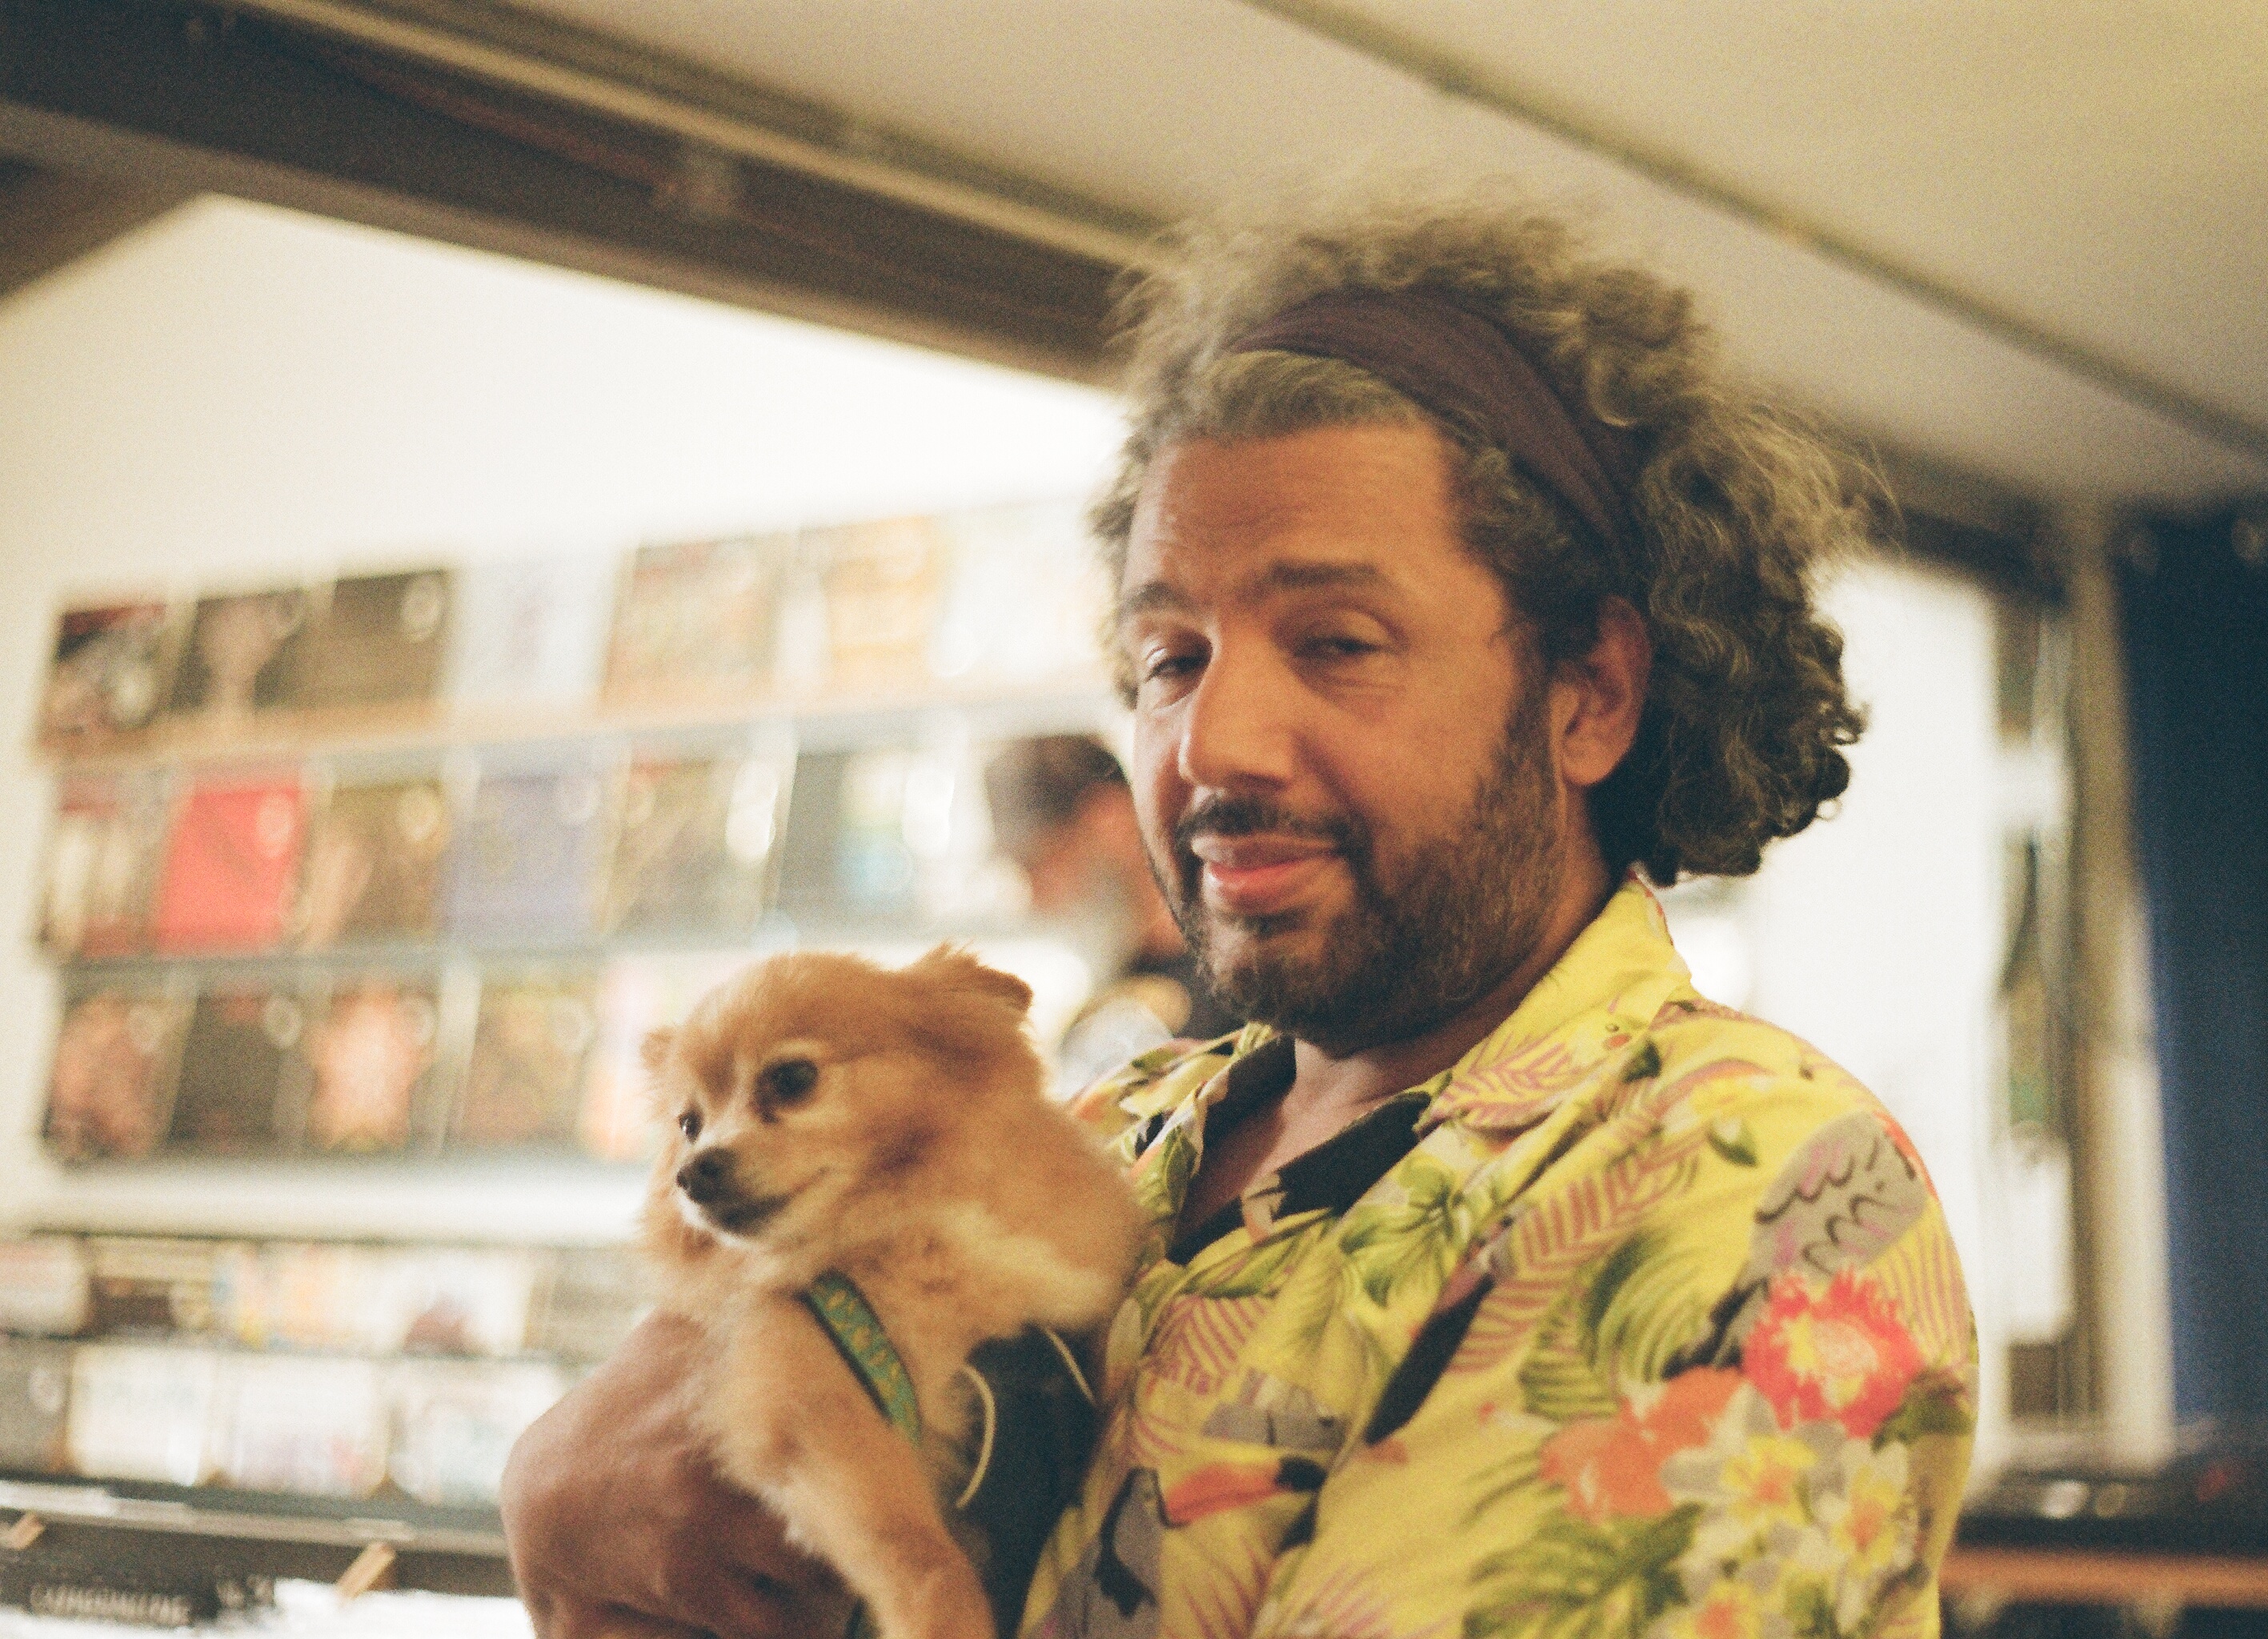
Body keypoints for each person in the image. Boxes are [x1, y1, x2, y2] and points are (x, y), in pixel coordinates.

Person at [503, 188, 1977, 1639]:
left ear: (1587, 689)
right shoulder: (1124, 1130)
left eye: (1336, 641)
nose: (1213, 742)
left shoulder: (1742, 1187)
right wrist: (568, 1490)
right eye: (1169, 656)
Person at [984, 734, 1244, 1090]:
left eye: (1042, 862)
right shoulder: (1102, 996)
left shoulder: (1237, 969)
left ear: (1109, 818)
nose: (1037, 898)